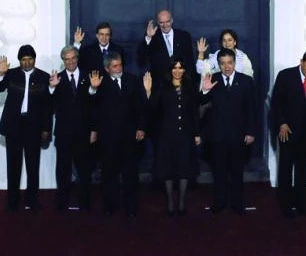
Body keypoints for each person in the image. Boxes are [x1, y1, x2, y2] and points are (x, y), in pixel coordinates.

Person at [0, 44, 52, 212]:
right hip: (13, 126)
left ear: (35, 59)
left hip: (34, 127)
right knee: (13, 166)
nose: (27, 63)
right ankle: (12, 202)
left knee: (33, 166)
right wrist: (1, 73)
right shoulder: (11, 74)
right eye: (23, 60)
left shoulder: (43, 76)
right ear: (19, 61)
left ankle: (32, 201)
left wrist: (46, 129)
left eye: (30, 59)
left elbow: (48, 106)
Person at [88, 51, 147, 217]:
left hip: (130, 136)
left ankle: (131, 207)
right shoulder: (99, 82)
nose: (118, 68)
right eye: (114, 66)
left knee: (130, 174)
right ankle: (110, 206)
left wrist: (141, 127)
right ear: (107, 68)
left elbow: (141, 106)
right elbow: (92, 107)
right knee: (109, 173)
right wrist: (93, 88)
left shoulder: (133, 80)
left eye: (120, 64)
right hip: (109, 137)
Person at [199, 48, 256, 215]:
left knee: (237, 172)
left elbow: (251, 109)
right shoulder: (212, 79)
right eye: (222, 63)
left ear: (235, 62)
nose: (227, 66)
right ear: (218, 64)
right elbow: (201, 102)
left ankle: (237, 203)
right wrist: (205, 90)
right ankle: (219, 202)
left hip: (238, 135)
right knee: (219, 172)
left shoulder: (246, 81)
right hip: (217, 135)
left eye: (229, 62)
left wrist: (251, 132)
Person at [270, 50, 306, 218]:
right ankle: (285, 204)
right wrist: (281, 123)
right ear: (301, 61)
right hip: (286, 131)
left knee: (303, 171)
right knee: (285, 168)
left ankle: (300, 203)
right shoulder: (285, 75)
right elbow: (276, 102)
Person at [144, 56, 201, 216]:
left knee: (184, 167)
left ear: (184, 69)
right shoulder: (162, 86)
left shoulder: (189, 86)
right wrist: (148, 92)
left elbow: (194, 112)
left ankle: (181, 202)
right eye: (174, 68)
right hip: (166, 133)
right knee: (166, 168)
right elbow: (152, 109)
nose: (177, 71)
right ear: (170, 70)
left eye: (180, 68)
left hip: (185, 133)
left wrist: (196, 133)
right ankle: (170, 202)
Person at [48, 46, 95, 211]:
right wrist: (52, 88)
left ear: (77, 57)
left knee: (84, 170)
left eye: (73, 58)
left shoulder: (89, 76)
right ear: (63, 61)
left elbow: (94, 104)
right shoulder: (56, 78)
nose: (70, 62)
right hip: (63, 133)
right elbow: (48, 103)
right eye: (66, 59)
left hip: (83, 132)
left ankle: (85, 203)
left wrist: (93, 130)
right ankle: (62, 202)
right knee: (63, 169)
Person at [137, 9, 195, 80]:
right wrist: (149, 37)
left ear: (172, 20)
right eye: (161, 22)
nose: (165, 25)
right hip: (160, 84)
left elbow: (190, 61)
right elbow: (141, 61)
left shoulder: (184, 36)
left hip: (182, 82)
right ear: (158, 22)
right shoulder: (152, 37)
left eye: (167, 21)